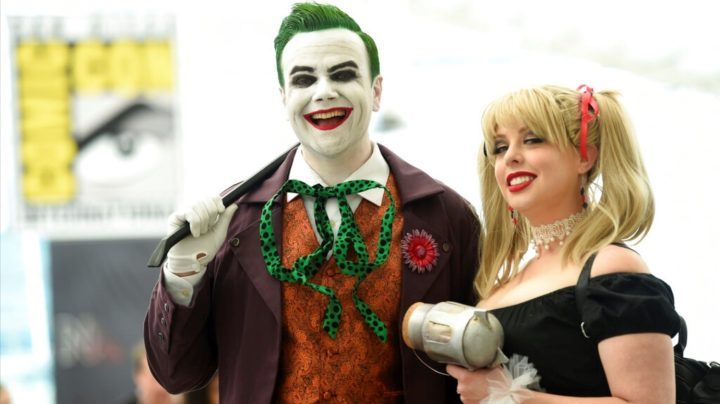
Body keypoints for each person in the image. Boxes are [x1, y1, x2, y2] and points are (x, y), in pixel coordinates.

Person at [144, 3, 481, 403]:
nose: (324, 92)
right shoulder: (234, 220)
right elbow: (176, 374)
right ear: (284, 98)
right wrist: (183, 272)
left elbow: (478, 363)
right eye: (304, 80)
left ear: (376, 91)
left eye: (343, 74)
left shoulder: (446, 216)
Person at [445, 84, 681, 403]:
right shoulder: (498, 288)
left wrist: (509, 397)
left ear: (584, 157)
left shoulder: (610, 268)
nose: (511, 156)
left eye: (532, 140)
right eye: (499, 148)